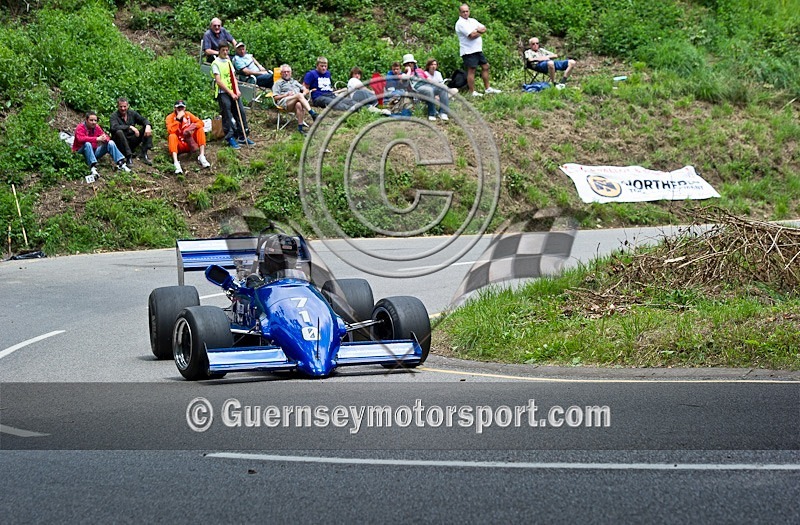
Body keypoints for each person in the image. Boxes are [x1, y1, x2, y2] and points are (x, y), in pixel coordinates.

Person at [212, 42, 253, 149]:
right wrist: (230, 93)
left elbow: (233, 77)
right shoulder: (216, 63)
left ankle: (242, 136)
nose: (225, 52)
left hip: (234, 91)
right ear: (219, 51)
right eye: (223, 50)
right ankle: (230, 137)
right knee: (228, 115)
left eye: (227, 50)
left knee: (240, 112)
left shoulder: (229, 61)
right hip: (223, 93)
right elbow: (219, 81)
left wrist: (237, 90)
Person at [455, 4, 502, 97]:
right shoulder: (460, 24)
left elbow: (484, 28)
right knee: (472, 70)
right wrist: (479, 31)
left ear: (469, 11)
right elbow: (471, 36)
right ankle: (472, 92)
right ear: (460, 13)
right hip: (468, 51)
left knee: (485, 66)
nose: (465, 13)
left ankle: (488, 88)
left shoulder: (472, 21)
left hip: (477, 50)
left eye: (467, 11)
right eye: (463, 11)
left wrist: (477, 31)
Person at [72, 111, 130, 177]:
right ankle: (92, 167)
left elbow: (104, 135)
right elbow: (81, 139)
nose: (93, 122)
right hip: (81, 152)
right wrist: (96, 139)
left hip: (94, 152)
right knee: (88, 144)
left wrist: (105, 139)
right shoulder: (80, 127)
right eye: (91, 120)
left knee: (110, 143)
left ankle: (121, 163)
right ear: (86, 120)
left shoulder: (96, 127)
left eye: (95, 120)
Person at [165, 100, 211, 174]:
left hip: (189, 142)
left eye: (182, 108)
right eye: (178, 108)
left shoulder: (188, 115)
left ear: (185, 108)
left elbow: (200, 122)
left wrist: (193, 127)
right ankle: (176, 162)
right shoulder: (170, 117)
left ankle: (202, 155)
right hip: (179, 144)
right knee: (172, 136)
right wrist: (177, 120)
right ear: (175, 108)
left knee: (200, 129)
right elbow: (170, 130)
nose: (180, 110)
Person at [272, 64, 317, 134]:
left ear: (291, 73)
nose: (286, 73)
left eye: (288, 72)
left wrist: (303, 94)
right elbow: (275, 97)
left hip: (296, 100)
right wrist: (285, 95)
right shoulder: (278, 83)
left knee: (299, 104)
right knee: (299, 95)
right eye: (284, 72)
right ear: (281, 73)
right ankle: (312, 113)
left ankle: (300, 129)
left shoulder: (295, 82)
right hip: (285, 102)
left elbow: (305, 89)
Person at [109, 97, 153, 167]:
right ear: (117, 106)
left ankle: (144, 153)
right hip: (120, 142)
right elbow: (113, 127)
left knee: (147, 128)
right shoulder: (114, 116)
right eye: (121, 107)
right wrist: (129, 127)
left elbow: (143, 119)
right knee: (119, 132)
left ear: (128, 106)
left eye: (124, 106)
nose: (123, 108)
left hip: (132, 139)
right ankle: (128, 157)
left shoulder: (132, 113)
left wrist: (148, 125)